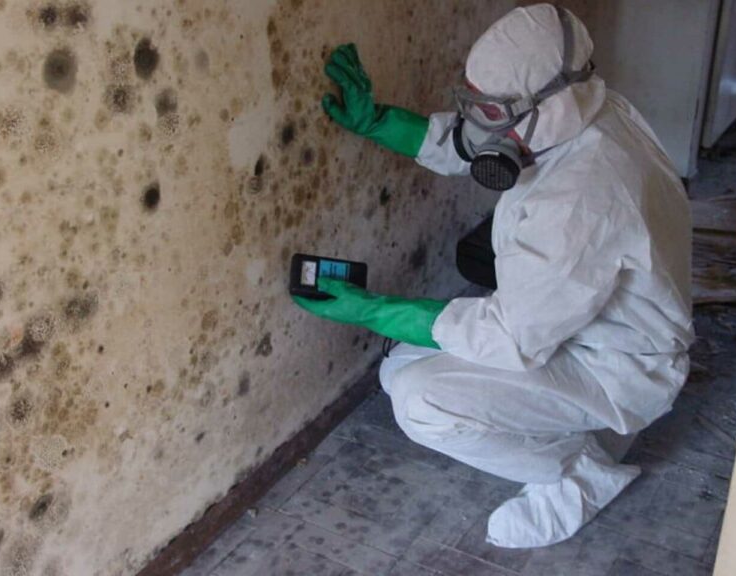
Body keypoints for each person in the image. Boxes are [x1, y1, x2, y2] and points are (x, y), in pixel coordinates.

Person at [294, 3, 694, 548]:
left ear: (543, 107)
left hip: (618, 368)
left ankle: (577, 473)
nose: (476, 121)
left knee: (420, 400)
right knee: (400, 364)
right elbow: (474, 142)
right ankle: (585, 433)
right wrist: (378, 121)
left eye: (490, 108)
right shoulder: (590, 113)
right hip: (580, 329)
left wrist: (369, 309)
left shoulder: (583, 195)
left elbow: (509, 334)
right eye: (473, 102)